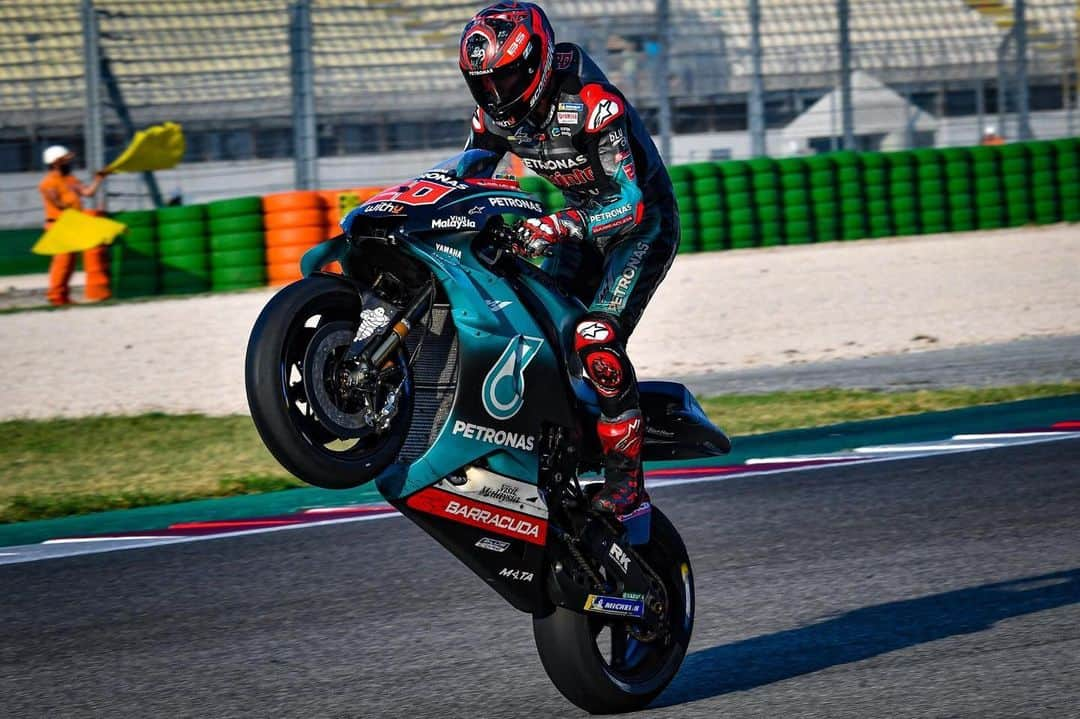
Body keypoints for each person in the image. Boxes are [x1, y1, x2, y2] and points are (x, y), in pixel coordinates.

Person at [460, 2, 679, 514]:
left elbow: (630, 201)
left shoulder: (592, 104)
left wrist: (558, 226)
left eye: (506, 78)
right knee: (528, 323)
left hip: (641, 228)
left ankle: (627, 481)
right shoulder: (491, 115)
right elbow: (468, 174)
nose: (496, 95)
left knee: (594, 337)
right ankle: (548, 449)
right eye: (484, 83)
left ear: (536, 63)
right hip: (576, 223)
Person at [38, 145, 111, 305]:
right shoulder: (48, 183)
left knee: (69, 263)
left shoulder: (71, 179)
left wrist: (99, 179)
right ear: (56, 163)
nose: (69, 162)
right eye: (66, 160)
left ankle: (63, 296)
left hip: (71, 224)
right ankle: (55, 296)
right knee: (62, 262)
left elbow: (87, 193)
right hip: (58, 225)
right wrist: (77, 213)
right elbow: (57, 203)